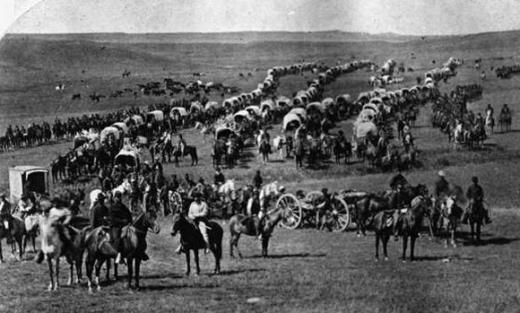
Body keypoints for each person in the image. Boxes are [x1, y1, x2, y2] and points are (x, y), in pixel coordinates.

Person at [110, 191, 133, 264]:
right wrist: (122, 221)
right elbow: (112, 219)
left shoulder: (123, 207)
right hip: (115, 226)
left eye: (119, 198)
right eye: (117, 198)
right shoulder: (112, 207)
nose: (118, 199)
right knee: (117, 238)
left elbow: (129, 214)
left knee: (130, 237)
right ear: (114, 198)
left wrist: (130, 221)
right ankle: (118, 254)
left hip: (124, 226)